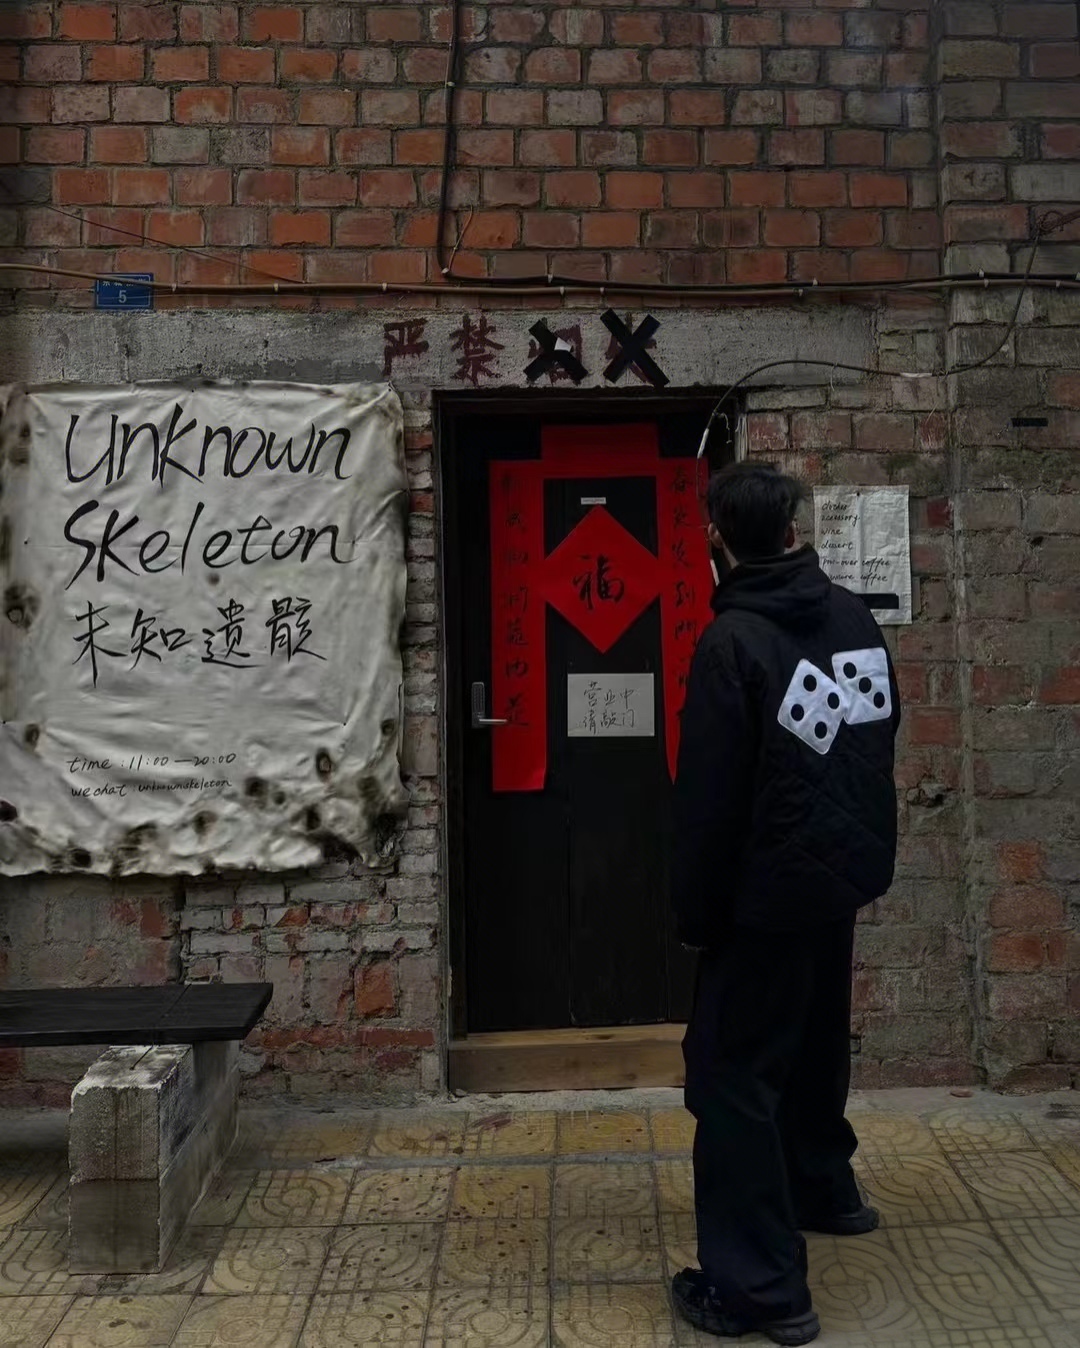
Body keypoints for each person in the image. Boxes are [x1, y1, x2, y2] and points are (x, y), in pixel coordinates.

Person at [670, 461, 901, 1346]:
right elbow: (879, 734)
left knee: (731, 1079)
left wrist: (696, 915)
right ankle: (823, 1188)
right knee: (811, 1044)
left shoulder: (732, 644)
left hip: (762, 898)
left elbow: (709, 802)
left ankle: (761, 1289)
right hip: (837, 878)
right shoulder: (852, 616)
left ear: (717, 539)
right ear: (796, 531)